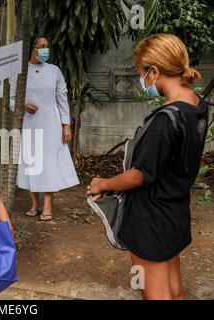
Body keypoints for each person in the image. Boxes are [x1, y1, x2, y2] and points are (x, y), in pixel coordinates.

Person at [87, 33, 208, 300]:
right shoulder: (199, 107)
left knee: (152, 292)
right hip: (175, 211)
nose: (140, 79)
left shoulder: (164, 121)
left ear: (154, 71)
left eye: (139, 72)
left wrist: (103, 184)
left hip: (149, 220)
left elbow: (139, 175)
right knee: (174, 288)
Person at [10, 36, 79, 222]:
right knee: (33, 162)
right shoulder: (20, 73)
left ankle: (47, 205)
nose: (44, 49)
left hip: (51, 123)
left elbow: (62, 98)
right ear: (31, 49)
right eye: (41, 46)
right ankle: (34, 204)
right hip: (29, 122)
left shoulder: (54, 71)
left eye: (47, 46)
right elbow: (11, 100)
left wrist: (66, 125)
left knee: (48, 162)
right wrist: (23, 105)